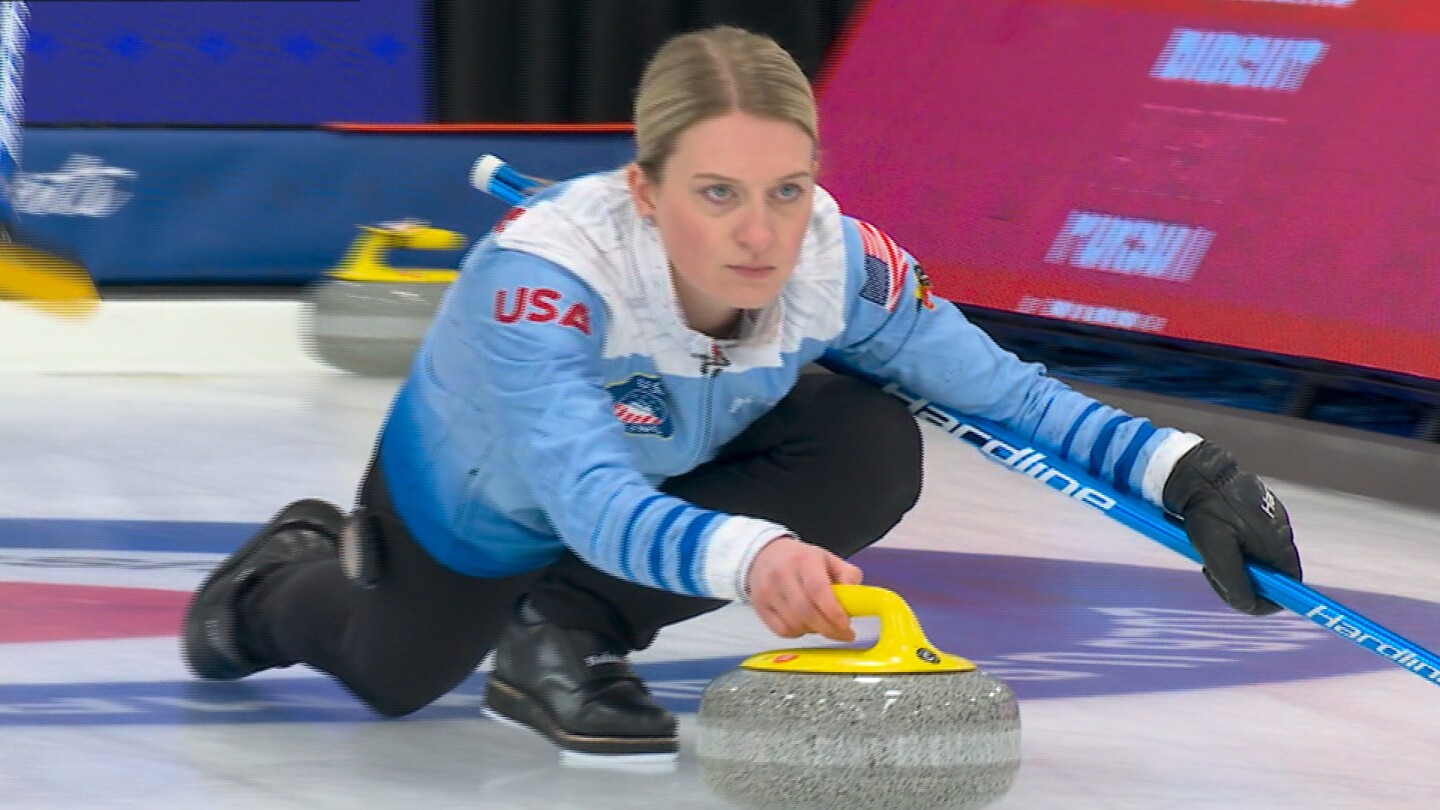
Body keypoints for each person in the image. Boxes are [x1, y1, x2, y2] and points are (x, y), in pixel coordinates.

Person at [182, 25, 1302, 764]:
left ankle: (561, 633)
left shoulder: (834, 261)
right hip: (486, 500)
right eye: (716, 193)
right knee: (394, 675)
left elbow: (1009, 397)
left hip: (660, 467)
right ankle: (276, 579)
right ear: (644, 188)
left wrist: (1190, 474)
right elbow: (587, 501)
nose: (759, 233)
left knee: (869, 436)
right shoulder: (542, 284)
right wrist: (753, 557)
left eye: (787, 188)